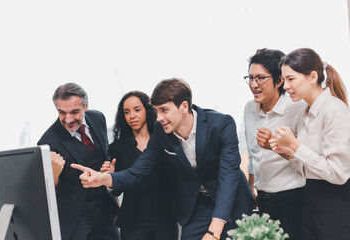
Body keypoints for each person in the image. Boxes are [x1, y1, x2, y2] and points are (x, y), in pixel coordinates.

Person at [71, 78, 254, 240]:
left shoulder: (221, 124)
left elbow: (228, 176)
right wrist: (105, 179)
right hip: (197, 205)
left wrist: (215, 230)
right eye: (156, 111)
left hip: (232, 201)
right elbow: (139, 170)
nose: (158, 118)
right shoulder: (161, 132)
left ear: (183, 106)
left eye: (164, 110)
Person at [269, 48, 350, 240]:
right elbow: (308, 170)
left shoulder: (334, 110)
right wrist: (286, 152)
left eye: (291, 79)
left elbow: (338, 173)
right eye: (283, 79)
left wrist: (295, 146)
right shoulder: (305, 112)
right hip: (311, 199)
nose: (285, 86)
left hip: (335, 204)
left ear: (312, 76)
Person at [38, 83, 119, 240]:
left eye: (74, 112)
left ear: (86, 106)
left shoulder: (98, 118)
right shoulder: (48, 142)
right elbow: (43, 193)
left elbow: (105, 156)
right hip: (76, 219)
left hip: (105, 211)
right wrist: (53, 175)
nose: (68, 119)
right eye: (62, 113)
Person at [243, 48, 306, 240]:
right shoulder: (248, 109)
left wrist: (276, 147)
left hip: (293, 200)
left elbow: (305, 163)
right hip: (263, 200)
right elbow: (253, 157)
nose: (254, 84)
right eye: (250, 78)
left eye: (260, 78)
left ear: (279, 81)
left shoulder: (297, 109)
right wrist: (251, 189)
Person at [101, 91, 178, 240]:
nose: (132, 116)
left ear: (147, 110)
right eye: (126, 112)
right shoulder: (117, 148)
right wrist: (111, 176)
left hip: (165, 216)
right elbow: (117, 190)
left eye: (137, 110)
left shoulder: (166, 138)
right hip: (133, 218)